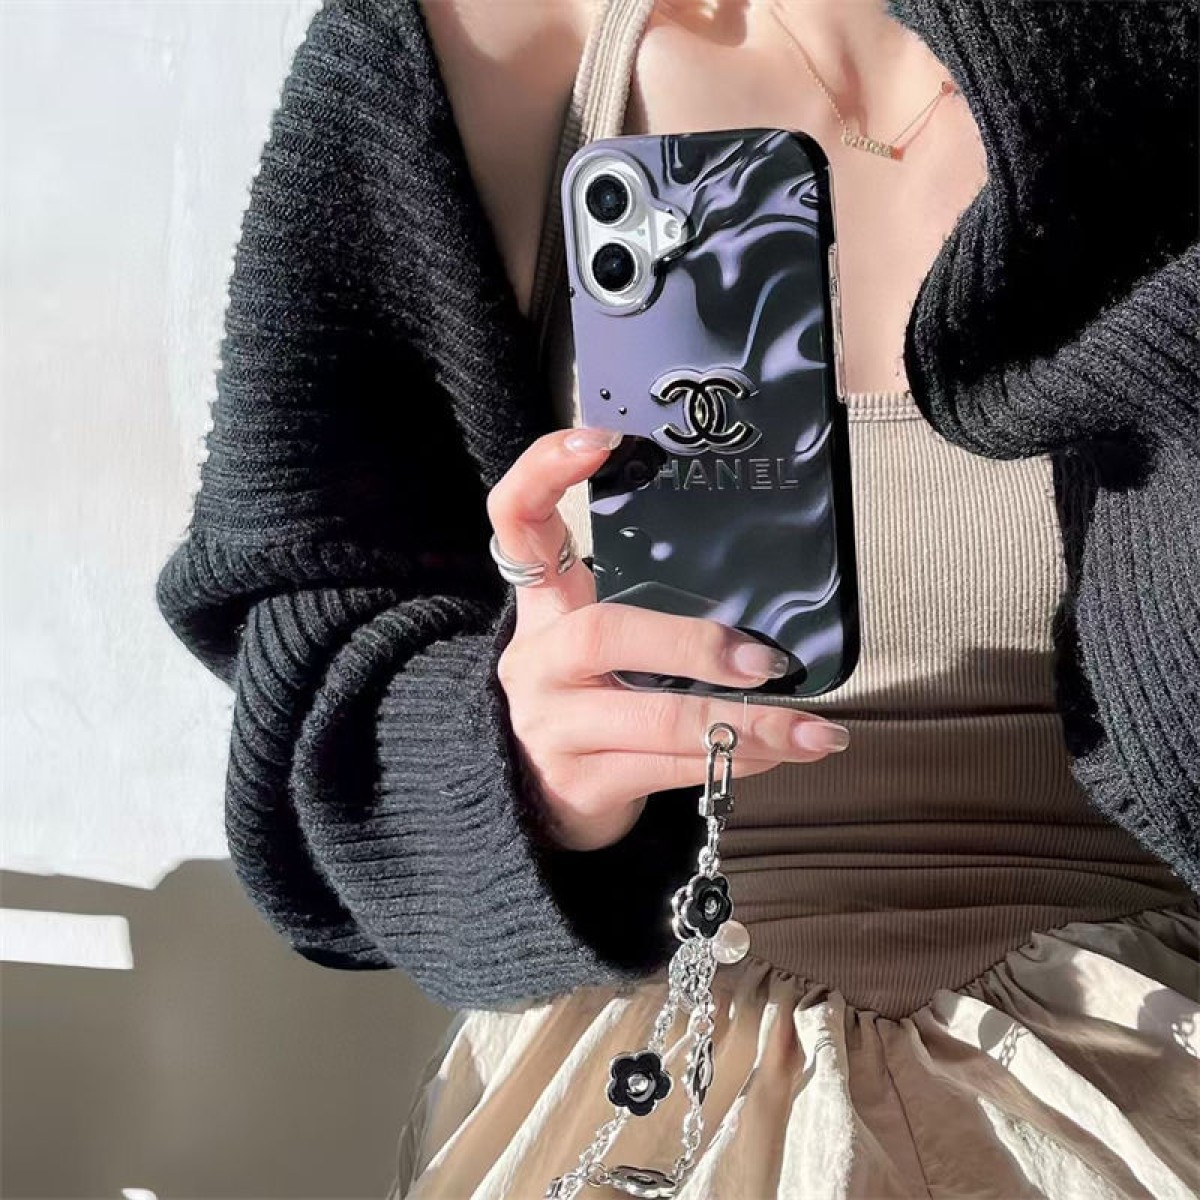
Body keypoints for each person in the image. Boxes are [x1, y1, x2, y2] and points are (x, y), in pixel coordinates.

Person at [154, 0, 1200, 1195]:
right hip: (665, 1092)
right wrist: (510, 762)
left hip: (1150, 1059)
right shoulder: (471, 52)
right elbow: (302, 716)